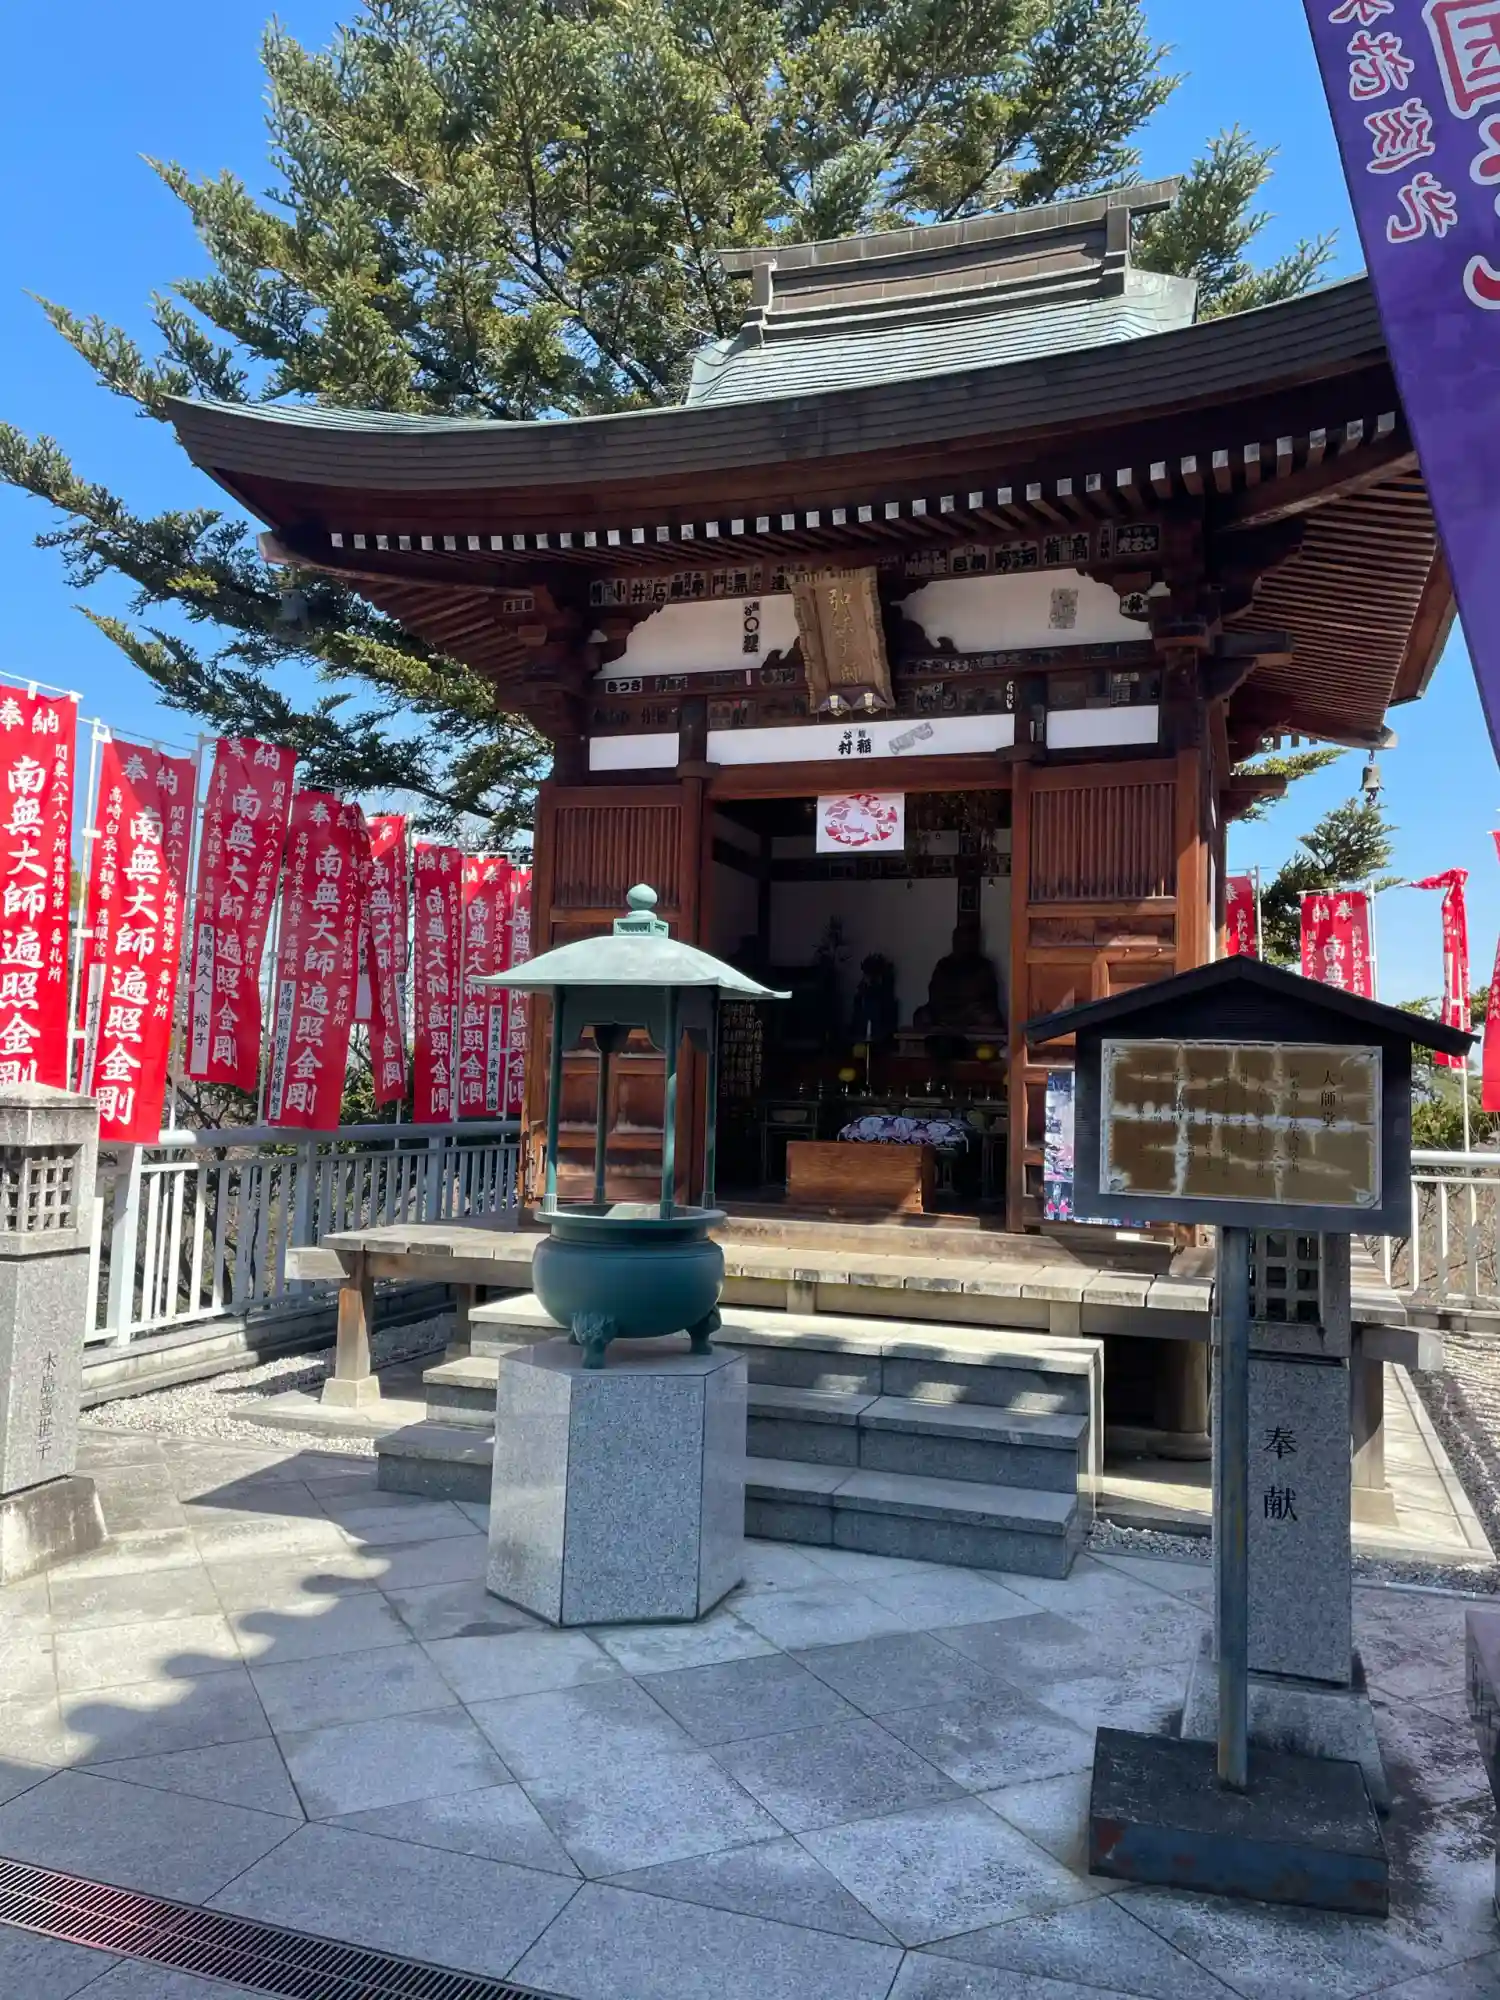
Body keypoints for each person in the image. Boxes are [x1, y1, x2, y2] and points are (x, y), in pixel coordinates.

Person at [913, 920, 1006, 1031]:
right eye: (960, 941)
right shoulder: (944, 965)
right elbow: (934, 994)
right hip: (946, 1012)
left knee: (989, 1016)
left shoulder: (984, 966)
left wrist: (971, 1004)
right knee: (922, 1015)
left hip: (972, 1013)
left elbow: (989, 996)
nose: (963, 945)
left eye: (967, 941)